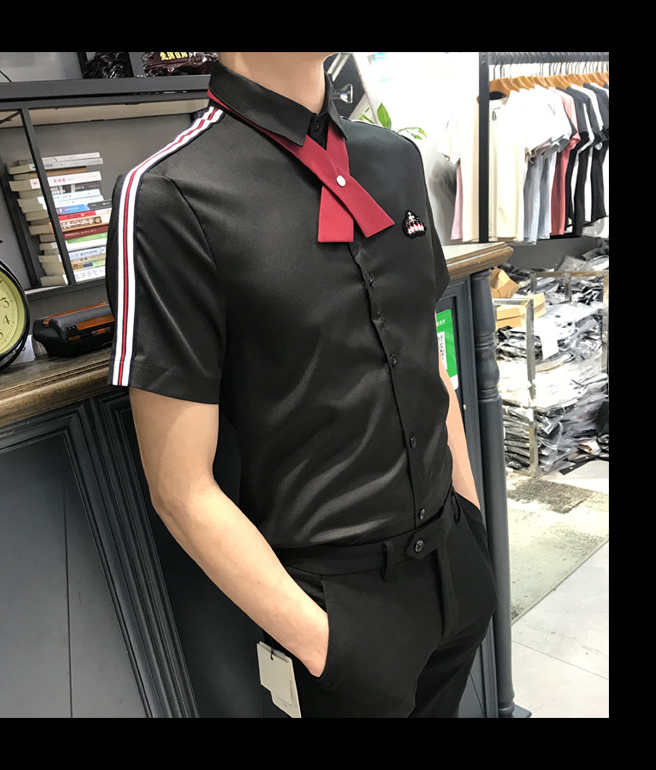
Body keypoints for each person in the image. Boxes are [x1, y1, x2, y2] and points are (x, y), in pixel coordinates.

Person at [106, 52, 497, 718]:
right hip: (337, 607)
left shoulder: (395, 158)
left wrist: (472, 527)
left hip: (453, 558)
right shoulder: (170, 194)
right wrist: (326, 645)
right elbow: (180, 489)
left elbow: (426, 359)